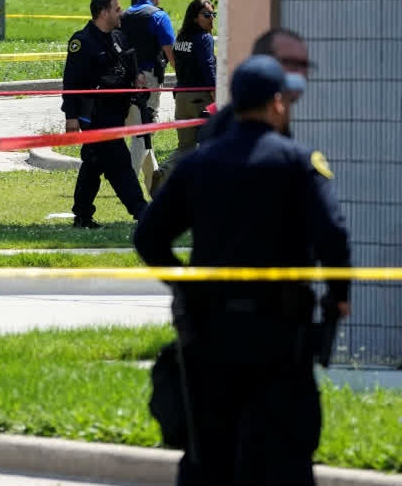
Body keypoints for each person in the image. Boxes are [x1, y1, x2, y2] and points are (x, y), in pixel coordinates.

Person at [133, 55, 351, 486]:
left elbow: (149, 237)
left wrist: (184, 285)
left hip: (209, 333)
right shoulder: (299, 163)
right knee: (284, 456)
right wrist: (337, 298)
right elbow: (334, 236)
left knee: (208, 457)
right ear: (276, 103)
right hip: (280, 335)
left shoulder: (197, 165)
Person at [62, 0, 148, 228]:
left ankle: (82, 215)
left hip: (116, 111)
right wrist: (71, 117)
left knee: (94, 163)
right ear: (103, 12)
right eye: (117, 9)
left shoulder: (117, 38)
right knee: (119, 162)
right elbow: (71, 82)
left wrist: (137, 76)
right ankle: (143, 212)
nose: (121, 13)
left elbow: (128, 65)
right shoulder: (83, 41)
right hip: (96, 114)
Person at [197, 27, 312, 144]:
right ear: (261, 61)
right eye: (291, 63)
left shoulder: (278, 123)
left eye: (305, 65)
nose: (300, 73)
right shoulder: (222, 134)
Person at [150, 0, 217, 193]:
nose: (211, 19)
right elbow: (208, 68)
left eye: (213, 14)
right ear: (195, 18)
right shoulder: (204, 38)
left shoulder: (181, 39)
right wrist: (215, 95)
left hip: (182, 97)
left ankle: (164, 171)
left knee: (185, 146)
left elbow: (178, 66)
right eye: (206, 15)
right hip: (200, 98)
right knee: (209, 145)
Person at [120, 0, 176, 192]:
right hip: (148, 79)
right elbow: (169, 50)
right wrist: (183, 75)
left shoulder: (123, 15)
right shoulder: (158, 16)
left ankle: (155, 184)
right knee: (142, 132)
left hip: (125, 79)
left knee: (141, 130)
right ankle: (129, 184)